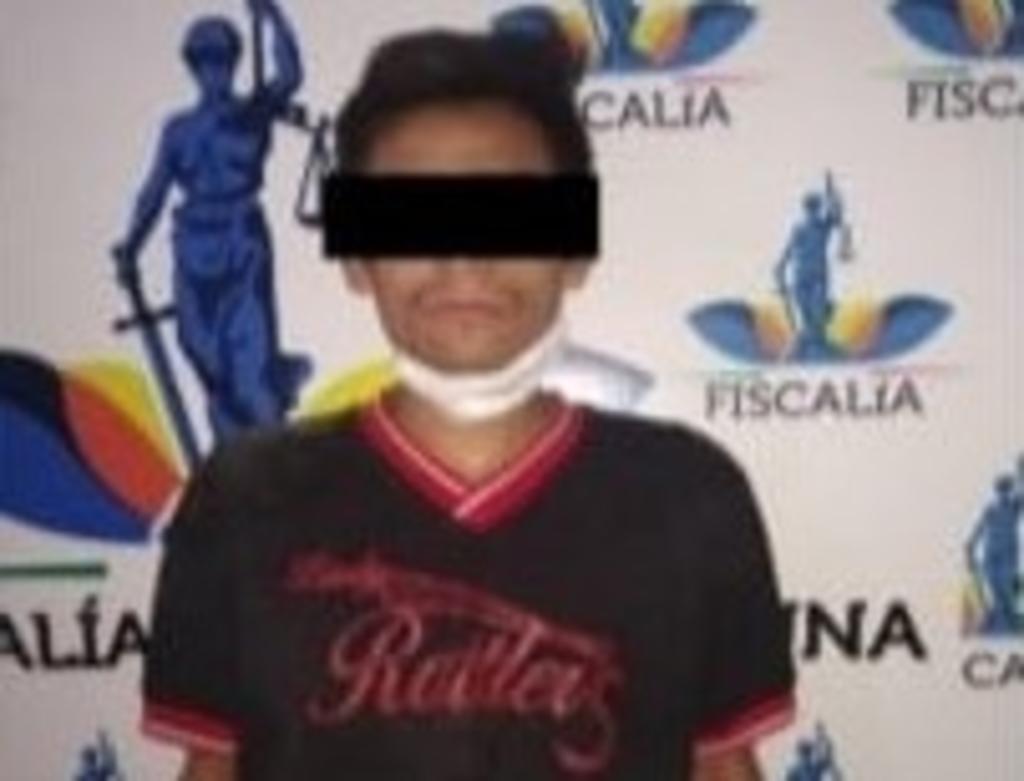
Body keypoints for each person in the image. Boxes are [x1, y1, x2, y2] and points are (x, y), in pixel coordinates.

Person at [142, 29, 795, 780]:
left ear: (575, 249)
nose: (463, 260)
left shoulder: (688, 494)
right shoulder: (243, 501)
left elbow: (723, 766)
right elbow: (213, 767)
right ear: (355, 258)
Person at [112, 0, 310, 441]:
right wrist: (131, 246)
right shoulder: (178, 129)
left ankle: (274, 452)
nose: (214, 70)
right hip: (193, 246)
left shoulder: (253, 112)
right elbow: (154, 191)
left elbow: (290, 74)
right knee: (202, 352)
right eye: (205, 61)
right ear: (194, 68)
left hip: (242, 243)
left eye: (221, 60)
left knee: (249, 363)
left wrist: (273, 16)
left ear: (233, 63)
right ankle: (234, 452)